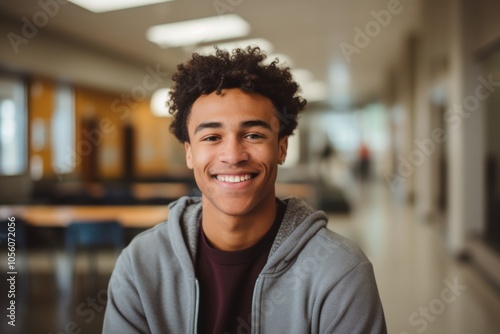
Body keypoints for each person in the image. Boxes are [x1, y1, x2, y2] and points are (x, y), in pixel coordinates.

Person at [103, 47, 387, 334]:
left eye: (253, 135)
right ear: (189, 153)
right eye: (212, 137)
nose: (233, 155)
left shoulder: (340, 270)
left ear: (282, 147)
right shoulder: (140, 264)